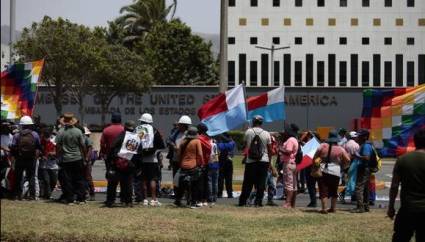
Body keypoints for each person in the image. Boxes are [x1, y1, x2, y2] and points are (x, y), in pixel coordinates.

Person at [387, 128, 425, 242]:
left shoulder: (403, 160)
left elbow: (394, 186)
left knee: (400, 238)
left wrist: (391, 207)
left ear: (415, 142)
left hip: (407, 209)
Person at [105, 121, 142, 207]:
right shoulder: (136, 138)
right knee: (128, 183)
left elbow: (112, 147)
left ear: (125, 128)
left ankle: (110, 201)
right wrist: (138, 167)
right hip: (129, 164)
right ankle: (128, 201)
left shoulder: (121, 135)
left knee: (112, 184)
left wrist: (110, 161)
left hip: (117, 163)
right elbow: (139, 153)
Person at [238, 115, 272, 207]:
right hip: (263, 160)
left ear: (253, 122)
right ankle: (258, 202)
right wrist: (269, 162)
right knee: (261, 182)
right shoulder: (266, 133)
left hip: (251, 160)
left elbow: (244, 145)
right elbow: (270, 150)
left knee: (248, 182)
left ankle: (243, 201)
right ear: (261, 123)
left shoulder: (248, 132)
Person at [313, 130, 350, 214]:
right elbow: (348, 159)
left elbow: (315, 157)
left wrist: (315, 165)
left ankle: (324, 208)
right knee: (334, 190)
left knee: (323, 190)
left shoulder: (322, 146)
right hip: (336, 171)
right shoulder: (340, 149)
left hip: (323, 170)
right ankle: (333, 208)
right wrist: (343, 166)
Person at [55, 113, 87, 205]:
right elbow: (82, 146)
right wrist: (84, 158)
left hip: (66, 159)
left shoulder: (61, 132)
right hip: (78, 158)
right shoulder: (78, 131)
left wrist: (58, 157)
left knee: (67, 180)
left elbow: (58, 146)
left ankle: (70, 199)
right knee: (79, 178)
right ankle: (81, 198)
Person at [10, 116, 42, 200]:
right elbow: (39, 146)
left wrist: (14, 159)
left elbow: (13, 147)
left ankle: (17, 195)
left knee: (18, 177)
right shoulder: (35, 134)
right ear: (30, 125)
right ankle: (32, 195)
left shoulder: (17, 135)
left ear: (22, 125)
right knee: (31, 176)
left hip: (19, 159)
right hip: (31, 159)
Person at [137, 113, 165, 206]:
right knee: (153, 179)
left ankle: (145, 199)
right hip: (152, 159)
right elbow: (161, 145)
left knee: (143, 179)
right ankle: (153, 199)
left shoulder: (139, 129)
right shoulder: (155, 130)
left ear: (142, 121)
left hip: (141, 159)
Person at [174, 126, 203, 208]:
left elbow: (179, 154)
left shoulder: (183, 142)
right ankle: (193, 203)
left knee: (181, 185)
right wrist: (201, 163)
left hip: (183, 166)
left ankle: (178, 200)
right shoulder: (197, 141)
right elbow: (200, 154)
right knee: (195, 184)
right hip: (193, 166)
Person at [351, 129, 373, 213]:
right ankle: (366, 206)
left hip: (364, 168)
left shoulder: (366, 146)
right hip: (365, 169)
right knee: (365, 188)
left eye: (359, 136)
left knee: (358, 188)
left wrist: (357, 156)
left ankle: (360, 207)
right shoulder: (365, 145)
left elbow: (367, 158)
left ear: (364, 137)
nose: (357, 137)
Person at [279, 123, 299, 208]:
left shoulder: (290, 140)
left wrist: (280, 148)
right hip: (293, 164)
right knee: (294, 185)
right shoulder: (295, 139)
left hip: (288, 163)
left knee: (288, 184)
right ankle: (292, 204)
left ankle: (288, 203)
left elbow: (288, 152)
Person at [39, 128, 58, 200]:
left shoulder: (54, 139)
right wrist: (41, 155)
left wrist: (52, 153)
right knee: (46, 180)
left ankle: (48, 194)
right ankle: (48, 195)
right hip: (44, 165)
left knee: (54, 181)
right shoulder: (41, 141)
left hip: (53, 165)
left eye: (47, 134)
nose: (45, 136)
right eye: (45, 134)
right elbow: (39, 150)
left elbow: (58, 151)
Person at [300, 131, 318, 207]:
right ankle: (314, 201)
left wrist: (304, 135)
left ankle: (313, 201)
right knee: (313, 185)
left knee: (311, 185)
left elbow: (300, 141)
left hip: (309, 166)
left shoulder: (309, 145)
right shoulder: (319, 145)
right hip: (316, 166)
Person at [342, 131, 360, 202]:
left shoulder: (345, 144)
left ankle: (344, 195)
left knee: (347, 180)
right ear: (355, 137)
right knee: (354, 180)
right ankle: (353, 196)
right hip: (354, 163)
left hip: (346, 164)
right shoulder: (357, 145)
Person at [197, 123, 212, 207]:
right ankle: (205, 200)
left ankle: (199, 200)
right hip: (207, 163)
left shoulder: (199, 139)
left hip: (200, 163)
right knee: (206, 182)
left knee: (200, 182)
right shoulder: (208, 139)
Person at [217, 133, 235, 198]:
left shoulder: (220, 144)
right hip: (229, 162)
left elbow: (219, 147)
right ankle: (229, 194)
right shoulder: (232, 143)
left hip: (221, 162)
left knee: (220, 179)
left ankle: (219, 193)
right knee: (229, 179)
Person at [82, 127, 96, 201]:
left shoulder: (87, 140)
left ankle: (91, 193)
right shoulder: (83, 139)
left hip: (86, 161)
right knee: (84, 177)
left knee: (88, 177)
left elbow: (90, 149)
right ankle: (85, 192)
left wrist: (87, 158)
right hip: (83, 160)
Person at [1, 122, 13, 198]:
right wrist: (6, 149)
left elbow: (11, 147)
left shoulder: (11, 136)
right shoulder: (1, 136)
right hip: (2, 158)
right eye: (6, 127)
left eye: (9, 126)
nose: (8, 128)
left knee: (6, 175)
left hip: (7, 159)